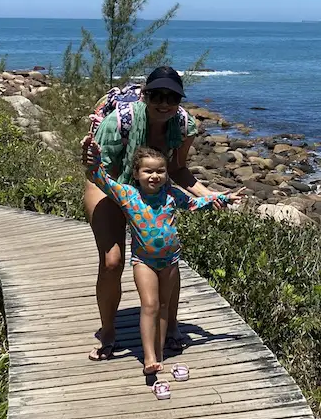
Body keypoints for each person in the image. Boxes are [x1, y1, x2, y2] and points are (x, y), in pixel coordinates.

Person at [83, 66, 221, 361]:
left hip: (152, 188)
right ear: (145, 95)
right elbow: (103, 172)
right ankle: (108, 331)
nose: (164, 103)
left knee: (167, 257)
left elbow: (178, 169)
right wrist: (128, 199)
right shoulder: (119, 121)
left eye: (171, 97)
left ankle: (171, 326)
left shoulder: (183, 125)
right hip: (112, 184)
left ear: (179, 100)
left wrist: (209, 196)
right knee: (112, 261)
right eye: (156, 95)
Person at [83, 136, 237, 385]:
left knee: (164, 306)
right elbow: (101, 178)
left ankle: (160, 354)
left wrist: (222, 198)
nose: (154, 176)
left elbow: (195, 203)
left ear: (166, 174)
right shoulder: (128, 195)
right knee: (150, 305)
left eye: (160, 171)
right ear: (136, 173)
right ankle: (149, 357)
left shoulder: (171, 194)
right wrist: (92, 152)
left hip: (171, 261)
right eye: (148, 171)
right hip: (143, 261)